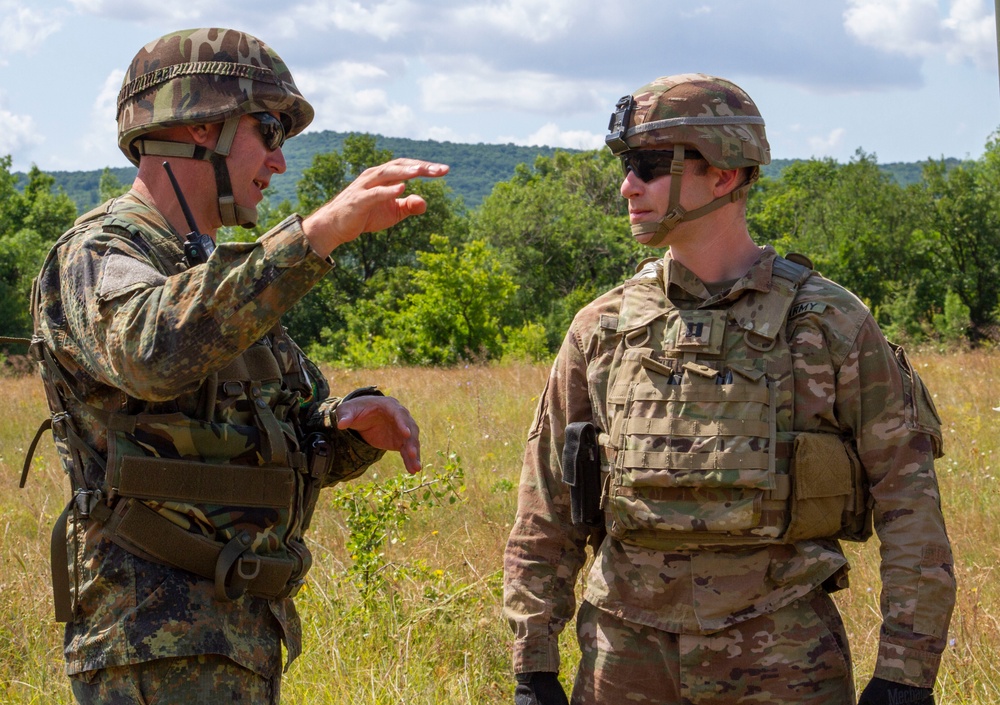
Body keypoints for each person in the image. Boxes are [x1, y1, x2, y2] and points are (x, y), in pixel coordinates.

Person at [24, 27, 448, 703]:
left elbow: (290, 434)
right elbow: (151, 350)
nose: (280, 163)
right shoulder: (99, 254)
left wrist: (348, 427)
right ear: (199, 127)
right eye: (271, 130)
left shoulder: (221, 276)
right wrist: (315, 235)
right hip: (150, 650)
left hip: (239, 640)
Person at [502, 74, 955, 705]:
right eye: (627, 167)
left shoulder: (827, 326)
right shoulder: (601, 328)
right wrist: (534, 666)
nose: (627, 185)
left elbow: (911, 507)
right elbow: (546, 507)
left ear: (724, 174)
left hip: (782, 659)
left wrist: (905, 674)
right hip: (623, 662)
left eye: (650, 166)